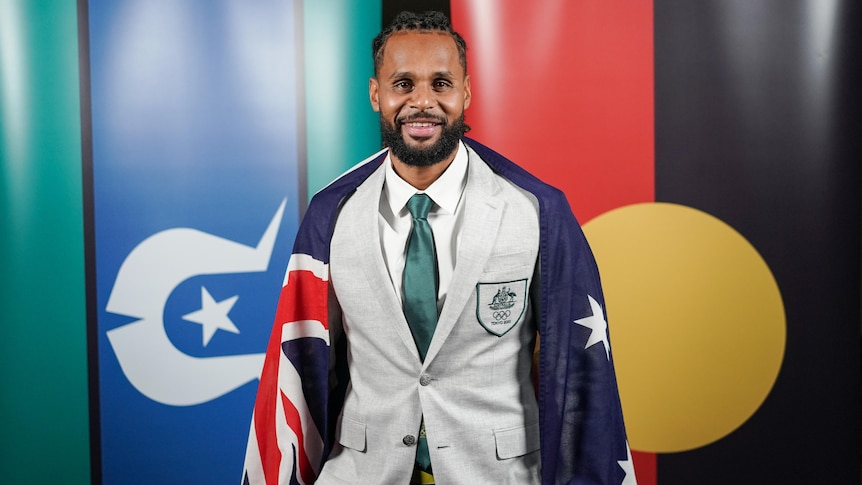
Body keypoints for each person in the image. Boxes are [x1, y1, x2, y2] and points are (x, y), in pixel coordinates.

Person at [243, 11, 633, 485]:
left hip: (499, 474)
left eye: (441, 84)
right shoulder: (331, 216)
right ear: (375, 94)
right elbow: (304, 365)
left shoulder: (537, 212)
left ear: (466, 92)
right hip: (364, 472)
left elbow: (577, 374)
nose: (422, 102)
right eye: (403, 84)